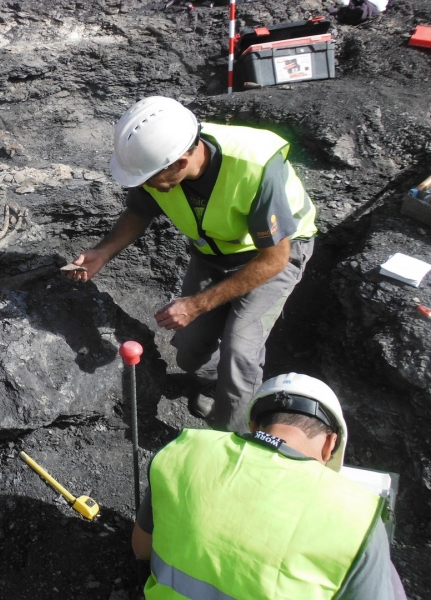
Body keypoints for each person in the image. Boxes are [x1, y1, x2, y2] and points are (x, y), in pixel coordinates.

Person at [66, 97, 317, 433]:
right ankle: (213, 385)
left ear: (181, 162)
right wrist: (103, 252)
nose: (144, 185)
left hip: (270, 255)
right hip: (213, 250)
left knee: (240, 350)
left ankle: (232, 437)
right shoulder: (157, 165)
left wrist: (198, 304)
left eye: (149, 179)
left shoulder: (254, 167)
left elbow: (274, 259)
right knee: (189, 347)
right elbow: (140, 211)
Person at [132, 373, 407, 599]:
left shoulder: (183, 450)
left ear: (254, 425)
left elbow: (141, 548)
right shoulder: (361, 520)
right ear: (330, 443)